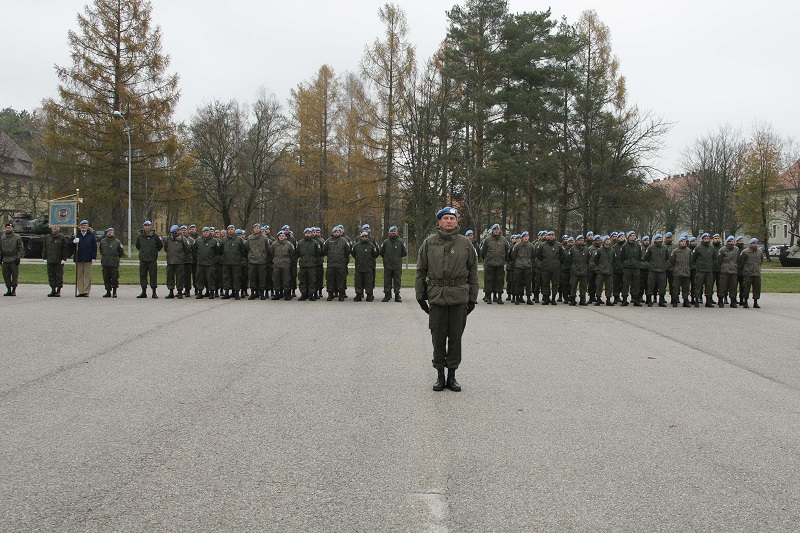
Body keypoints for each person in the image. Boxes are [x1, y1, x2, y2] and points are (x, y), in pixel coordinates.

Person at [415, 207, 479, 392]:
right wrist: (420, 296)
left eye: (452, 218)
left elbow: (473, 273)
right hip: (437, 296)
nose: (449, 221)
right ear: (439, 222)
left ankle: (452, 375)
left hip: (459, 297)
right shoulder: (429, 243)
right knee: (438, 337)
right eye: (445, 218)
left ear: (457, 222)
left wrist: (472, 298)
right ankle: (440, 375)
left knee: (455, 338)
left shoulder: (466, 244)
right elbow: (420, 271)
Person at [479, 224, 509, 304]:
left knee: (499, 281)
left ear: (499, 230)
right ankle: (489, 297)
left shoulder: (504, 240)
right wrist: (487, 259)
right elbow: (483, 252)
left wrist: (504, 259)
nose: (496, 230)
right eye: (495, 229)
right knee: (489, 281)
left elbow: (506, 251)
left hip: (500, 264)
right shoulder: (487, 240)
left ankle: (498, 297)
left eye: (497, 229)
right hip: (490, 264)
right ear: (492, 230)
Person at [135, 220, 163, 298]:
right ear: (144, 227)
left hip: (152, 259)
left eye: (148, 226)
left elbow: (160, 245)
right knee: (143, 275)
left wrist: (153, 252)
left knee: (153, 275)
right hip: (143, 259)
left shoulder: (155, 236)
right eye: (145, 226)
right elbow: (138, 246)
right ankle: (143, 291)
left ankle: (154, 292)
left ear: (151, 227)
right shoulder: (140, 236)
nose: (147, 227)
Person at [380, 225, 407, 302]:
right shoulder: (385, 242)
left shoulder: (401, 242)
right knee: (387, 281)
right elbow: (381, 252)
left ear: (397, 232)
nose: (393, 233)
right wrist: (387, 259)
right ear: (389, 233)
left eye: (394, 231)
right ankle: (387, 295)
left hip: (397, 265)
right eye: (391, 231)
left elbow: (404, 253)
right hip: (388, 265)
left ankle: (397, 295)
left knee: (397, 281)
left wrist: (397, 257)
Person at [163, 225, 191, 299]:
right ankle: (171, 291)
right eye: (173, 233)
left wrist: (181, 255)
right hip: (170, 261)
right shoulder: (168, 239)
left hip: (179, 261)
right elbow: (165, 248)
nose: (174, 234)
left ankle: (179, 292)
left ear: (178, 231)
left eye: (175, 232)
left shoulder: (183, 239)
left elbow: (187, 249)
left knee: (180, 277)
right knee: (170, 277)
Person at [193, 227, 221, 299]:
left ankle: (211, 292)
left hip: (210, 264)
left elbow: (218, 252)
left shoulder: (215, 241)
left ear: (210, 232)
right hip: (200, 263)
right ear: (202, 233)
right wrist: (198, 259)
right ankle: (200, 292)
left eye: (207, 231)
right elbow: (194, 250)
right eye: (204, 232)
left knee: (211, 278)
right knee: (199, 278)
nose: (206, 233)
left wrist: (214, 260)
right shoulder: (198, 241)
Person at [323, 226, 350, 301]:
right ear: (332, 233)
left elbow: (347, 252)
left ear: (340, 233)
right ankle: (330, 294)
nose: (336, 233)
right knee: (330, 279)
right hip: (331, 264)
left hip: (340, 264)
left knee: (340, 279)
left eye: (338, 232)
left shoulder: (344, 241)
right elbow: (325, 251)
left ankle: (341, 294)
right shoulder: (328, 241)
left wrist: (342, 259)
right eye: (335, 232)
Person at [296, 227, 322, 301]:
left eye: (309, 233)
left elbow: (318, 253)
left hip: (312, 265)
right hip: (303, 265)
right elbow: (297, 253)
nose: (308, 234)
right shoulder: (300, 243)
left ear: (311, 234)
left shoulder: (315, 243)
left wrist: (315, 261)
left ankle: (311, 294)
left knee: (312, 280)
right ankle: (303, 294)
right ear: (304, 234)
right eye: (306, 233)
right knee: (302, 280)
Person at [42, 225, 69, 297]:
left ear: (59, 228)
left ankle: (58, 290)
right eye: (53, 227)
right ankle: (53, 289)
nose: (55, 229)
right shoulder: (47, 237)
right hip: (50, 259)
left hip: (58, 260)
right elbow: (44, 248)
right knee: (51, 275)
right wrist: (44, 257)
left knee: (59, 275)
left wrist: (64, 258)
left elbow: (65, 249)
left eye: (56, 227)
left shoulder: (62, 238)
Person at [221, 224, 247, 300]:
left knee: (236, 278)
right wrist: (223, 258)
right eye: (229, 229)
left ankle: (236, 293)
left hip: (236, 262)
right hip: (226, 262)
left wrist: (239, 259)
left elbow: (243, 251)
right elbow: (220, 250)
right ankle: (226, 293)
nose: (230, 230)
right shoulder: (224, 239)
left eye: (232, 229)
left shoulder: (239, 239)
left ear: (234, 230)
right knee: (226, 278)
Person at [72, 219, 97, 297]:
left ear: (87, 226)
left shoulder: (91, 235)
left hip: (88, 258)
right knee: (79, 275)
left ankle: (86, 291)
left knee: (87, 275)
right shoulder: (76, 235)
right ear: (79, 227)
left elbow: (94, 247)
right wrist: (73, 241)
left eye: (85, 225)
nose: (83, 227)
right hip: (78, 258)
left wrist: (93, 257)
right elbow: (69, 244)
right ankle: (81, 291)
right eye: (82, 225)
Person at [351, 231, 379, 301]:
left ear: (368, 237)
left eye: (366, 237)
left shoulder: (371, 246)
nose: (364, 238)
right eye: (363, 237)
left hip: (368, 267)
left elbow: (374, 254)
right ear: (361, 237)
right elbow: (353, 253)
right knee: (358, 282)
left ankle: (369, 295)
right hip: (359, 267)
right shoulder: (356, 245)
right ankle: (358, 294)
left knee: (368, 282)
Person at [643, 234, 669, 307]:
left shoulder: (665, 248)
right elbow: (646, 257)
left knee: (662, 287)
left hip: (662, 270)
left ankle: (661, 301)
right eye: (658, 239)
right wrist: (651, 264)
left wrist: (664, 265)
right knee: (650, 286)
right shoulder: (651, 248)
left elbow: (667, 257)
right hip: (652, 270)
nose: (659, 240)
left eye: (661, 239)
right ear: (655, 240)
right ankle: (649, 301)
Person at [738, 238, 765, 308]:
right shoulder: (745, 252)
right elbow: (741, 262)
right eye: (753, 243)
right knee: (746, 288)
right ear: (750, 244)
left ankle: (755, 302)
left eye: (756, 243)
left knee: (757, 288)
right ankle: (745, 301)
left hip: (756, 273)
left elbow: (761, 261)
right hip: (748, 273)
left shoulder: (759, 252)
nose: (755, 245)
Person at [98, 227, 125, 297]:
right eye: (108, 232)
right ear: (106, 233)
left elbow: (121, 252)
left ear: (113, 233)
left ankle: (114, 291)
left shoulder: (117, 242)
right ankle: (108, 291)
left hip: (114, 263)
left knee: (115, 277)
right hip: (105, 262)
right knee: (106, 277)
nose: (110, 233)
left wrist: (116, 257)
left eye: (111, 232)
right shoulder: (103, 241)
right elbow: (101, 251)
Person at [246, 223, 269, 300]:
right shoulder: (249, 237)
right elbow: (247, 248)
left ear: (260, 229)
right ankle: (252, 293)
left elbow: (268, 249)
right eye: (255, 228)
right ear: (253, 229)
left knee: (262, 278)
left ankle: (262, 293)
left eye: (258, 228)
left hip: (261, 261)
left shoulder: (264, 237)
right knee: (252, 278)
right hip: (252, 261)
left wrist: (264, 256)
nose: (256, 229)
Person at [692, 232, 716, 307]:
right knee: (698, 285)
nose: (706, 240)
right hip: (700, 270)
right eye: (705, 239)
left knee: (709, 286)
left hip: (709, 270)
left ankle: (708, 301)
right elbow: (694, 258)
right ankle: (697, 300)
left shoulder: (712, 248)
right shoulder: (698, 248)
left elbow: (714, 258)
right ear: (702, 239)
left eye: (707, 239)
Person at [270, 230, 295, 300]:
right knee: (276, 280)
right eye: (280, 236)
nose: (281, 237)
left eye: (283, 236)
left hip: (285, 264)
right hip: (276, 264)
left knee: (286, 280)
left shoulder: (289, 244)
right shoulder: (274, 244)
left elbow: (292, 253)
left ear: (285, 237)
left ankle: (286, 294)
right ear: (278, 237)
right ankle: (277, 294)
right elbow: (271, 252)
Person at [668, 234, 692, 307]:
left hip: (686, 273)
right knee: (676, 288)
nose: (683, 243)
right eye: (682, 241)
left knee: (686, 288)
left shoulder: (688, 251)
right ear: (679, 242)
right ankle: (675, 300)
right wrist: (674, 270)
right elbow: (671, 262)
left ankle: (685, 300)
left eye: (684, 241)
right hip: (677, 273)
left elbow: (691, 261)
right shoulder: (675, 251)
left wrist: (688, 269)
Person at [567, 235, 590, 306]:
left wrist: (585, 267)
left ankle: (582, 299)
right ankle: (572, 299)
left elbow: (588, 259)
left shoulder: (586, 249)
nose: (581, 241)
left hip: (584, 270)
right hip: (575, 271)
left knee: (583, 286)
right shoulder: (572, 249)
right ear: (576, 241)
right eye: (579, 240)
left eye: (582, 240)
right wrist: (574, 267)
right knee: (573, 286)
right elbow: (569, 259)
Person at [1, 222, 23, 296]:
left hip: (13, 258)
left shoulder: (17, 237)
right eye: (7, 228)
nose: (8, 229)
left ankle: (13, 289)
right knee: (6, 275)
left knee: (14, 275)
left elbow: (20, 248)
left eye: (9, 228)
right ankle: (8, 289)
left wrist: (18, 257)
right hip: (5, 259)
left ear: (12, 228)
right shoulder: (3, 238)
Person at [717, 235, 739, 308]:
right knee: (722, 286)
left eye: (732, 241)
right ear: (727, 242)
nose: (731, 243)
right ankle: (721, 300)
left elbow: (738, 259)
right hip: (725, 271)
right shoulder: (722, 250)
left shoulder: (736, 249)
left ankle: (733, 301)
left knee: (733, 286)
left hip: (733, 270)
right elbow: (719, 260)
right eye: (730, 241)